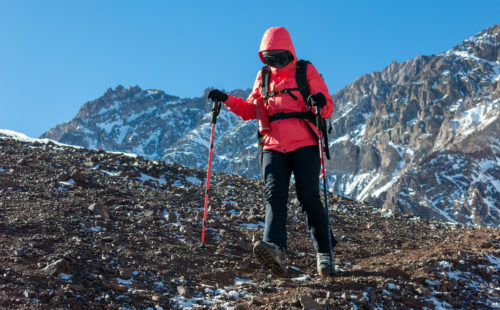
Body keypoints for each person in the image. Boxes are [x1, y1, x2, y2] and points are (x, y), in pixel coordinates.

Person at [208, 26, 335, 278]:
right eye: (269, 58)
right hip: (272, 145)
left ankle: (324, 253)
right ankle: (275, 248)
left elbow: (327, 105)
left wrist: (318, 101)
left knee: (308, 196)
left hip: (305, 144)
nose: (275, 63)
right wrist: (227, 99)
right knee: (273, 195)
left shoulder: (305, 71)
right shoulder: (263, 77)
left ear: (290, 52)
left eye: (279, 57)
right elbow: (250, 110)